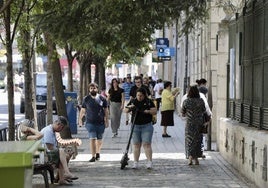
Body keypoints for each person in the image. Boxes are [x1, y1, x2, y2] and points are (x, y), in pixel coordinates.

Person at [41, 116, 80, 185]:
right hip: (44, 155)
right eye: (62, 128)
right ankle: (67, 173)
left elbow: (54, 146)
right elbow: (50, 147)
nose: (61, 130)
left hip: (48, 153)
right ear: (59, 124)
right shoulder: (48, 131)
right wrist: (61, 150)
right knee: (61, 151)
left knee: (66, 155)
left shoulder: (53, 131)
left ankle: (61, 179)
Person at [124, 87, 157, 169]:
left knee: (147, 144)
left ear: (144, 95)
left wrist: (148, 111)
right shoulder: (133, 101)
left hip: (146, 126)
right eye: (138, 95)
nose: (139, 97)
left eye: (141, 96)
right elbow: (125, 110)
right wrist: (129, 108)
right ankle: (135, 162)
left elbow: (155, 111)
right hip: (135, 126)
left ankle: (149, 162)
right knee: (136, 145)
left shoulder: (148, 101)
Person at [78, 83, 109, 162]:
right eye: (91, 88)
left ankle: (98, 152)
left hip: (100, 122)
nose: (93, 90)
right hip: (90, 122)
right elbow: (83, 110)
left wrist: (107, 120)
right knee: (92, 139)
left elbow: (106, 110)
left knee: (99, 140)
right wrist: (80, 120)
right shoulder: (86, 99)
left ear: (97, 89)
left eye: (94, 88)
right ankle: (93, 156)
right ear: (89, 89)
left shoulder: (102, 98)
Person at [181, 85, 207, 165]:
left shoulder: (186, 101)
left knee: (189, 140)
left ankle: (190, 158)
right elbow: (204, 110)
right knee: (197, 140)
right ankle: (196, 159)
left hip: (190, 123)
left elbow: (183, 113)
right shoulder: (201, 101)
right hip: (199, 123)